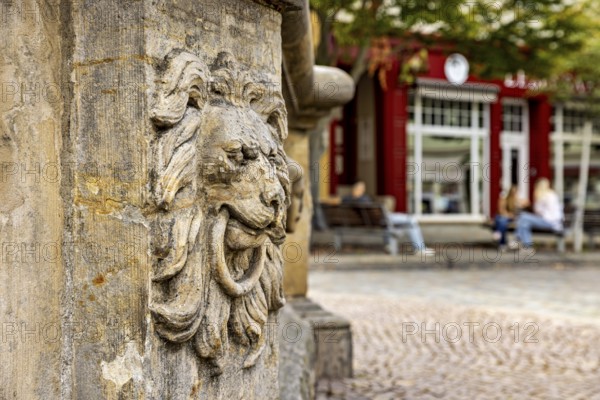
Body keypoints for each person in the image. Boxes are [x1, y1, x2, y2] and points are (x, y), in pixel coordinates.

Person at [343, 182, 434, 255]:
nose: (362, 190)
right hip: (383, 219)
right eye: (361, 188)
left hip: (376, 220)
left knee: (410, 225)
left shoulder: (347, 200)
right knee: (412, 220)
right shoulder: (364, 199)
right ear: (356, 189)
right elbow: (376, 213)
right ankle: (419, 248)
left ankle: (394, 246)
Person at [510, 178, 563, 249]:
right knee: (525, 224)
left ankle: (516, 238)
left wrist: (527, 205)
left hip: (550, 221)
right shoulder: (551, 194)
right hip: (552, 221)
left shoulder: (545, 196)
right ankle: (527, 247)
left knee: (523, 216)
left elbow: (538, 211)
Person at [493, 185, 528, 249]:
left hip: (509, 218)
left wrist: (520, 202)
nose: (515, 194)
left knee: (519, 223)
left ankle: (500, 237)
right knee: (502, 221)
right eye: (513, 192)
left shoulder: (516, 200)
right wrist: (509, 215)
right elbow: (501, 211)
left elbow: (527, 203)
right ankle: (502, 243)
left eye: (516, 192)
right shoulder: (504, 199)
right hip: (500, 216)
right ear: (510, 192)